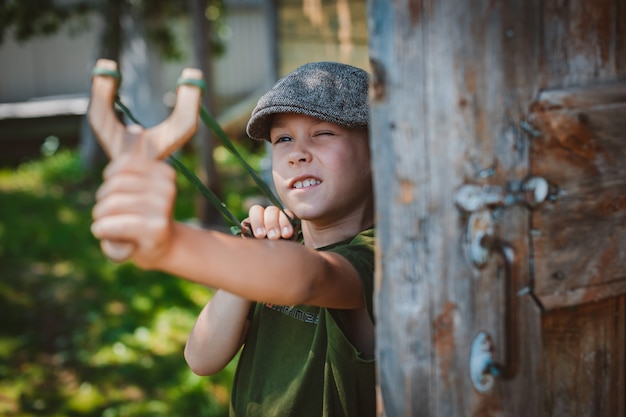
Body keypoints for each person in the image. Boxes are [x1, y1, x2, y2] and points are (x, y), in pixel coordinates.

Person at [91, 61, 376, 416]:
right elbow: (201, 358)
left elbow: (310, 277)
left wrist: (170, 243)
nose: (297, 153)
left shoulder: (378, 256)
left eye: (323, 134)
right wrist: (253, 250)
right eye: (283, 139)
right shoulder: (278, 248)